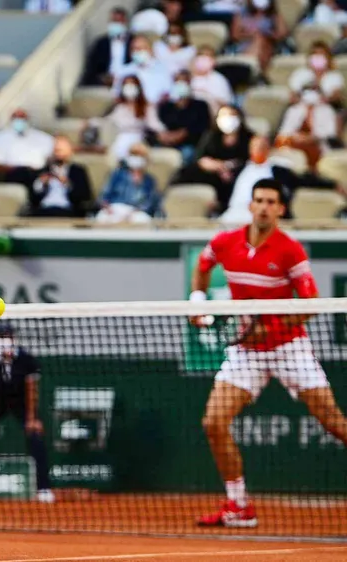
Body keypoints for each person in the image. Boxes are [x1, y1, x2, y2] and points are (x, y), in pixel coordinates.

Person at [193, 178, 347, 528]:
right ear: (250, 205)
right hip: (246, 353)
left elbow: (310, 304)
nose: (263, 207)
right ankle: (238, 506)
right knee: (213, 422)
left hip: (290, 348)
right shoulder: (224, 242)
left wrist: (271, 327)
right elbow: (202, 267)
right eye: (259, 200)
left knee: (334, 423)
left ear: (280, 209)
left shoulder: (291, 250)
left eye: (271, 202)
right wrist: (197, 301)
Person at [0, 322, 55, 504]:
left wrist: (32, 419)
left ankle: (43, 487)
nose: (5, 341)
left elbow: (32, 389)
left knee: (35, 437)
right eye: (1, 337)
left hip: (20, 403)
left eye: (8, 337)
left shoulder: (25, 359)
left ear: (14, 339)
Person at [175, 104, 252, 212]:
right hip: (213, 172)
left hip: (237, 174)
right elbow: (201, 158)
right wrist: (220, 167)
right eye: (223, 115)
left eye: (231, 115)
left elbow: (248, 160)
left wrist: (229, 167)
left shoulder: (249, 138)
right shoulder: (211, 135)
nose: (228, 119)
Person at [275, 81, 339, 172]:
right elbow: (284, 131)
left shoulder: (327, 111)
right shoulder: (293, 110)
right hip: (296, 142)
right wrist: (297, 136)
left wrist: (312, 137)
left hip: (317, 144)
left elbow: (331, 133)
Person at [28, 136, 92, 217]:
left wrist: (68, 184)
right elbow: (32, 197)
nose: (58, 153)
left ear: (70, 151)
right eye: (56, 150)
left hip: (68, 211)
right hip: (44, 210)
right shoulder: (43, 170)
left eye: (61, 150)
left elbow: (86, 196)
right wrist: (41, 183)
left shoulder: (78, 171)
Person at [96, 143, 160, 223]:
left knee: (141, 220)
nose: (136, 158)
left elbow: (149, 203)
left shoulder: (149, 180)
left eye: (140, 156)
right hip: (115, 207)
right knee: (102, 217)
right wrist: (107, 208)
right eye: (134, 155)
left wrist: (134, 212)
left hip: (135, 211)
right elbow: (104, 195)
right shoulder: (117, 174)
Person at [104, 75, 165, 160]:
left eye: (132, 84)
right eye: (126, 84)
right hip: (120, 139)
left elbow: (154, 124)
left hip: (138, 139)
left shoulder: (146, 107)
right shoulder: (119, 107)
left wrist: (163, 132)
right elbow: (107, 120)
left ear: (138, 87)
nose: (129, 87)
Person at [0, 108, 55, 185]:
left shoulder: (42, 137)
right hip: (13, 175)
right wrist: (16, 169)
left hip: (39, 175)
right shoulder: (2, 138)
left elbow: (54, 156)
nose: (19, 120)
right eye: (16, 117)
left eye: (22, 117)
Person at [156, 70, 211, 164]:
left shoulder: (200, 105)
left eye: (184, 81)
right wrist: (166, 136)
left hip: (189, 145)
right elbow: (160, 125)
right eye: (178, 81)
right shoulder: (165, 106)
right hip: (166, 144)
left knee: (187, 154)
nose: (181, 84)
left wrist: (184, 133)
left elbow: (203, 127)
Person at [112, 35, 172, 104]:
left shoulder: (163, 69)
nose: (138, 51)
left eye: (142, 48)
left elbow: (169, 93)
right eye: (135, 48)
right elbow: (116, 94)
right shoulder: (124, 71)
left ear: (151, 50)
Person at [81, 7, 133, 87]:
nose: (115, 24)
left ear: (125, 22)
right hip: (105, 83)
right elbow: (93, 67)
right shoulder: (101, 43)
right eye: (113, 21)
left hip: (128, 81)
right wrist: (104, 78)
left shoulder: (133, 42)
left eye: (118, 21)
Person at [230, 0, 287, 72]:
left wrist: (266, 35)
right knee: (258, 40)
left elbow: (282, 33)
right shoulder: (241, 13)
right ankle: (255, 68)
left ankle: (255, 69)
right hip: (246, 44)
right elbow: (235, 35)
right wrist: (252, 35)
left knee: (261, 40)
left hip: (268, 44)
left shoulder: (274, 14)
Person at [190, 47, 234, 115]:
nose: (203, 60)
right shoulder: (187, 77)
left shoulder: (219, 79)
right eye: (201, 56)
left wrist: (207, 95)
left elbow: (226, 104)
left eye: (207, 57)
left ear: (213, 61)